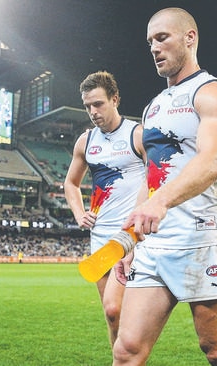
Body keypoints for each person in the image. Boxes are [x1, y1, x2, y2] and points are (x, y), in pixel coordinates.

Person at [112, 7, 217, 365]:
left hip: (199, 238)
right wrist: (129, 238)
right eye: (150, 41)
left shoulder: (212, 93)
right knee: (126, 350)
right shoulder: (154, 107)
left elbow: (213, 161)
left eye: (162, 38)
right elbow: (151, 177)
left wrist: (161, 202)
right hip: (155, 244)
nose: (154, 48)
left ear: (190, 38)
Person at [63, 71, 146, 347]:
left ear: (115, 99)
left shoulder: (137, 135)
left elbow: (156, 180)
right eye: (87, 106)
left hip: (130, 239)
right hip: (99, 239)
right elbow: (71, 183)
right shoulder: (86, 142)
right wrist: (78, 213)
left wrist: (138, 225)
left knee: (116, 308)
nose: (92, 111)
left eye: (98, 104)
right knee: (112, 316)